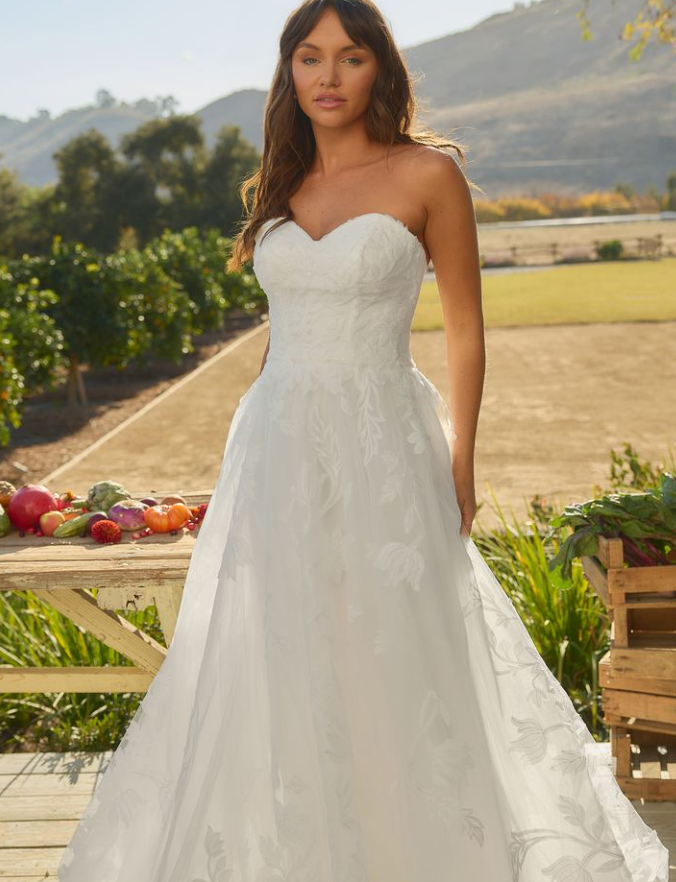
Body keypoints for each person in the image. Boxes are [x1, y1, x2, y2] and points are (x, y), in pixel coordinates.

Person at [58, 1, 669, 880]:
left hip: (386, 441)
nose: (328, 77)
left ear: (380, 67)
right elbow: (284, 331)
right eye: (309, 58)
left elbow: (466, 330)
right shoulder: (281, 180)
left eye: (349, 57)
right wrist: (251, 451)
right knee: (279, 648)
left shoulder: (428, 174)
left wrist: (461, 459)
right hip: (274, 445)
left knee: (393, 647)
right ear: (289, 72)